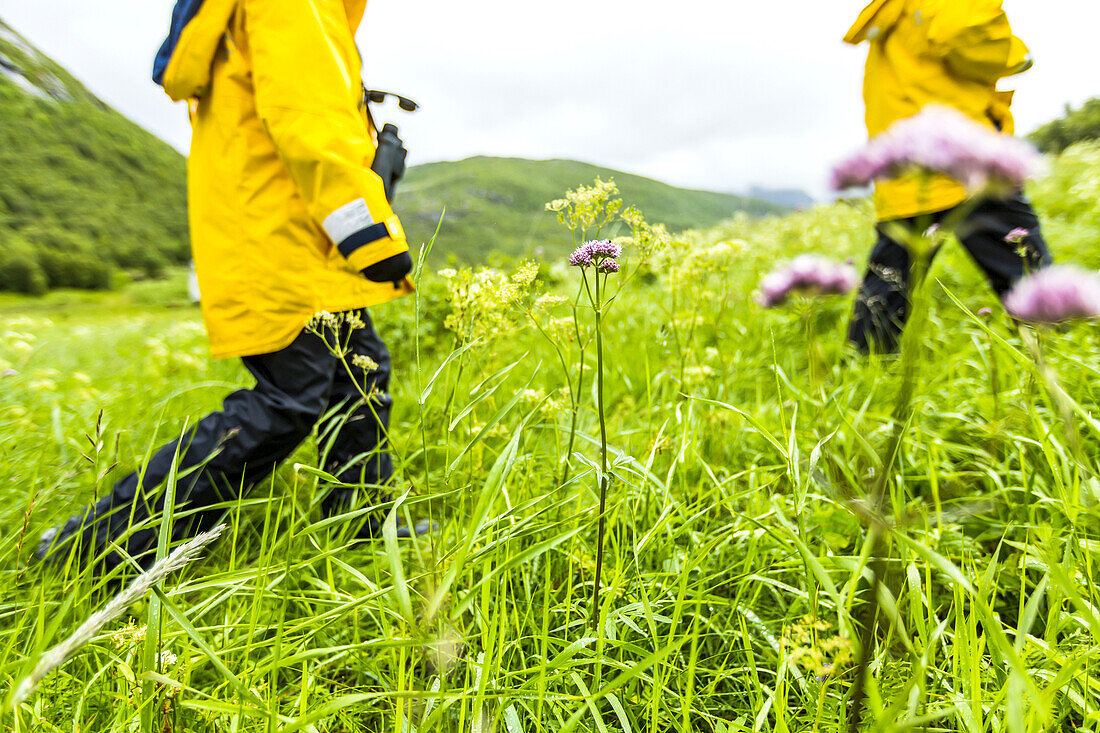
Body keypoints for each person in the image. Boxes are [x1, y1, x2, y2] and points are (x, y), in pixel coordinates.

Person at [37, 0, 424, 570]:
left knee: (360, 375)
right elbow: (307, 122)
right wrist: (370, 230)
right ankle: (92, 544)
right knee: (290, 399)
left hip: (287, 235)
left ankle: (364, 526)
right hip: (280, 240)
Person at [844, 0, 1053, 353]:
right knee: (1025, 267)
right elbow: (968, 36)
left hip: (906, 169)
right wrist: (1016, 55)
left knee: (889, 279)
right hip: (965, 159)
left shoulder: (896, 11)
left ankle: (863, 364)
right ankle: (1061, 350)